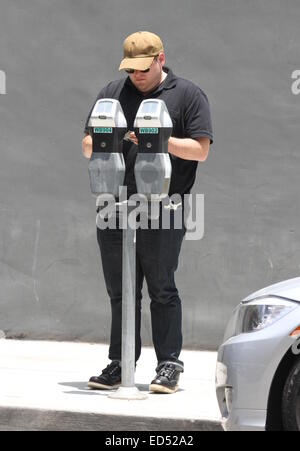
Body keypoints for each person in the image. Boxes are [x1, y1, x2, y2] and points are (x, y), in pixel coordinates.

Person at [82, 31, 213, 394]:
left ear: (160, 59)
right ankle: (121, 362)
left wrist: (159, 138)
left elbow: (200, 150)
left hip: (164, 206)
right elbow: (87, 143)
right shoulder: (112, 92)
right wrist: (113, 136)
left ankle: (169, 364)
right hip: (115, 203)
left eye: (143, 69)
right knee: (120, 290)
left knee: (161, 287)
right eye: (131, 70)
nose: (136, 76)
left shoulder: (187, 95)